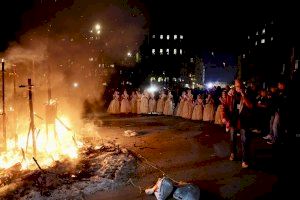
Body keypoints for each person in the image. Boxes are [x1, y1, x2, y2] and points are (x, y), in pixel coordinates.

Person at [225, 79, 254, 168]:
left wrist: (243, 95)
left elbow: (250, 106)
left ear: (242, 86)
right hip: (233, 120)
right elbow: (226, 106)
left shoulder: (247, 93)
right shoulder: (231, 94)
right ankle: (233, 153)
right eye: (236, 86)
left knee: (245, 140)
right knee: (232, 138)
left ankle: (245, 160)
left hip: (244, 120)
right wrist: (226, 120)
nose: (238, 88)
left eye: (240, 86)